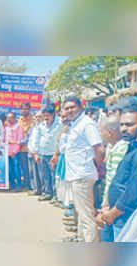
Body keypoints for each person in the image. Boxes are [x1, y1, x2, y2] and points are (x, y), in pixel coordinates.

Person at [59, 96, 104, 242]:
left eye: (72, 107)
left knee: (86, 216)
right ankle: (81, 240)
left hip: (83, 175)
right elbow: (63, 148)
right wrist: (65, 127)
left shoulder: (86, 124)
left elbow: (99, 149)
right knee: (81, 213)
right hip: (75, 175)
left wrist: (97, 167)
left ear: (80, 107)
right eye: (66, 108)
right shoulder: (74, 125)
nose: (69, 110)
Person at [101, 104, 137, 240]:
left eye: (130, 124)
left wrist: (112, 214)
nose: (124, 129)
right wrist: (106, 204)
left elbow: (136, 190)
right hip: (117, 216)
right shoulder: (130, 146)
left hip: (127, 219)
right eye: (122, 125)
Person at [95, 115, 129, 242]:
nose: (100, 134)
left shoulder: (120, 149)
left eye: (101, 131)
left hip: (114, 206)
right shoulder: (118, 147)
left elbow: (114, 181)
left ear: (110, 133)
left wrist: (105, 206)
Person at [35, 104, 63, 202]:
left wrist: (57, 154)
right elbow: (37, 139)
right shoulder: (41, 125)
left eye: (48, 115)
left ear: (53, 114)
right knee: (45, 175)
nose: (46, 118)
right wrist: (36, 153)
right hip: (42, 153)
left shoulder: (60, 124)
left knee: (54, 175)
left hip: (54, 154)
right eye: (44, 115)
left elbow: (61, 140)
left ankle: (56, 195)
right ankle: (47, 193)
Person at [3, 112, 24, 191]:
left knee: (16, 169)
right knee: (10, 169)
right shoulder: (6, 128)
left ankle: (19, 185)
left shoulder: (18, 127)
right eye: (8, 117)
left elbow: (20, 140)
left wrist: (14, 151)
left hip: (14, 152)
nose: (9, 119)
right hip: (7, 152)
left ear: (15, 118)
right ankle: (12, 184)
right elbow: (4, 139)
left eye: (10, 117)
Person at [18, 102, 35, 190]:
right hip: (21, 149)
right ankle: (26, 184)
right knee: (24, 168)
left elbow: (31, 134)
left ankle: (33, 186)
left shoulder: (33, 120)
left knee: (32, 169)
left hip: (30, 148)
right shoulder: (19, 120)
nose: (24, 110)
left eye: (26, 109)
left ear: (29, 109)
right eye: (23, 109)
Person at [27, 111, 43, 196]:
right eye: (36, 117)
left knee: (41, 173)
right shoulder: (33, 128)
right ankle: (36, 189)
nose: (37, 118)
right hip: (31, 153)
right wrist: (30, 149)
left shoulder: (44, 127)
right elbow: (30, 139)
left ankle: (43, 190)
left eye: (39, 117)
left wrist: (36, 152)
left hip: (39, 154)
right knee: (33, 173)